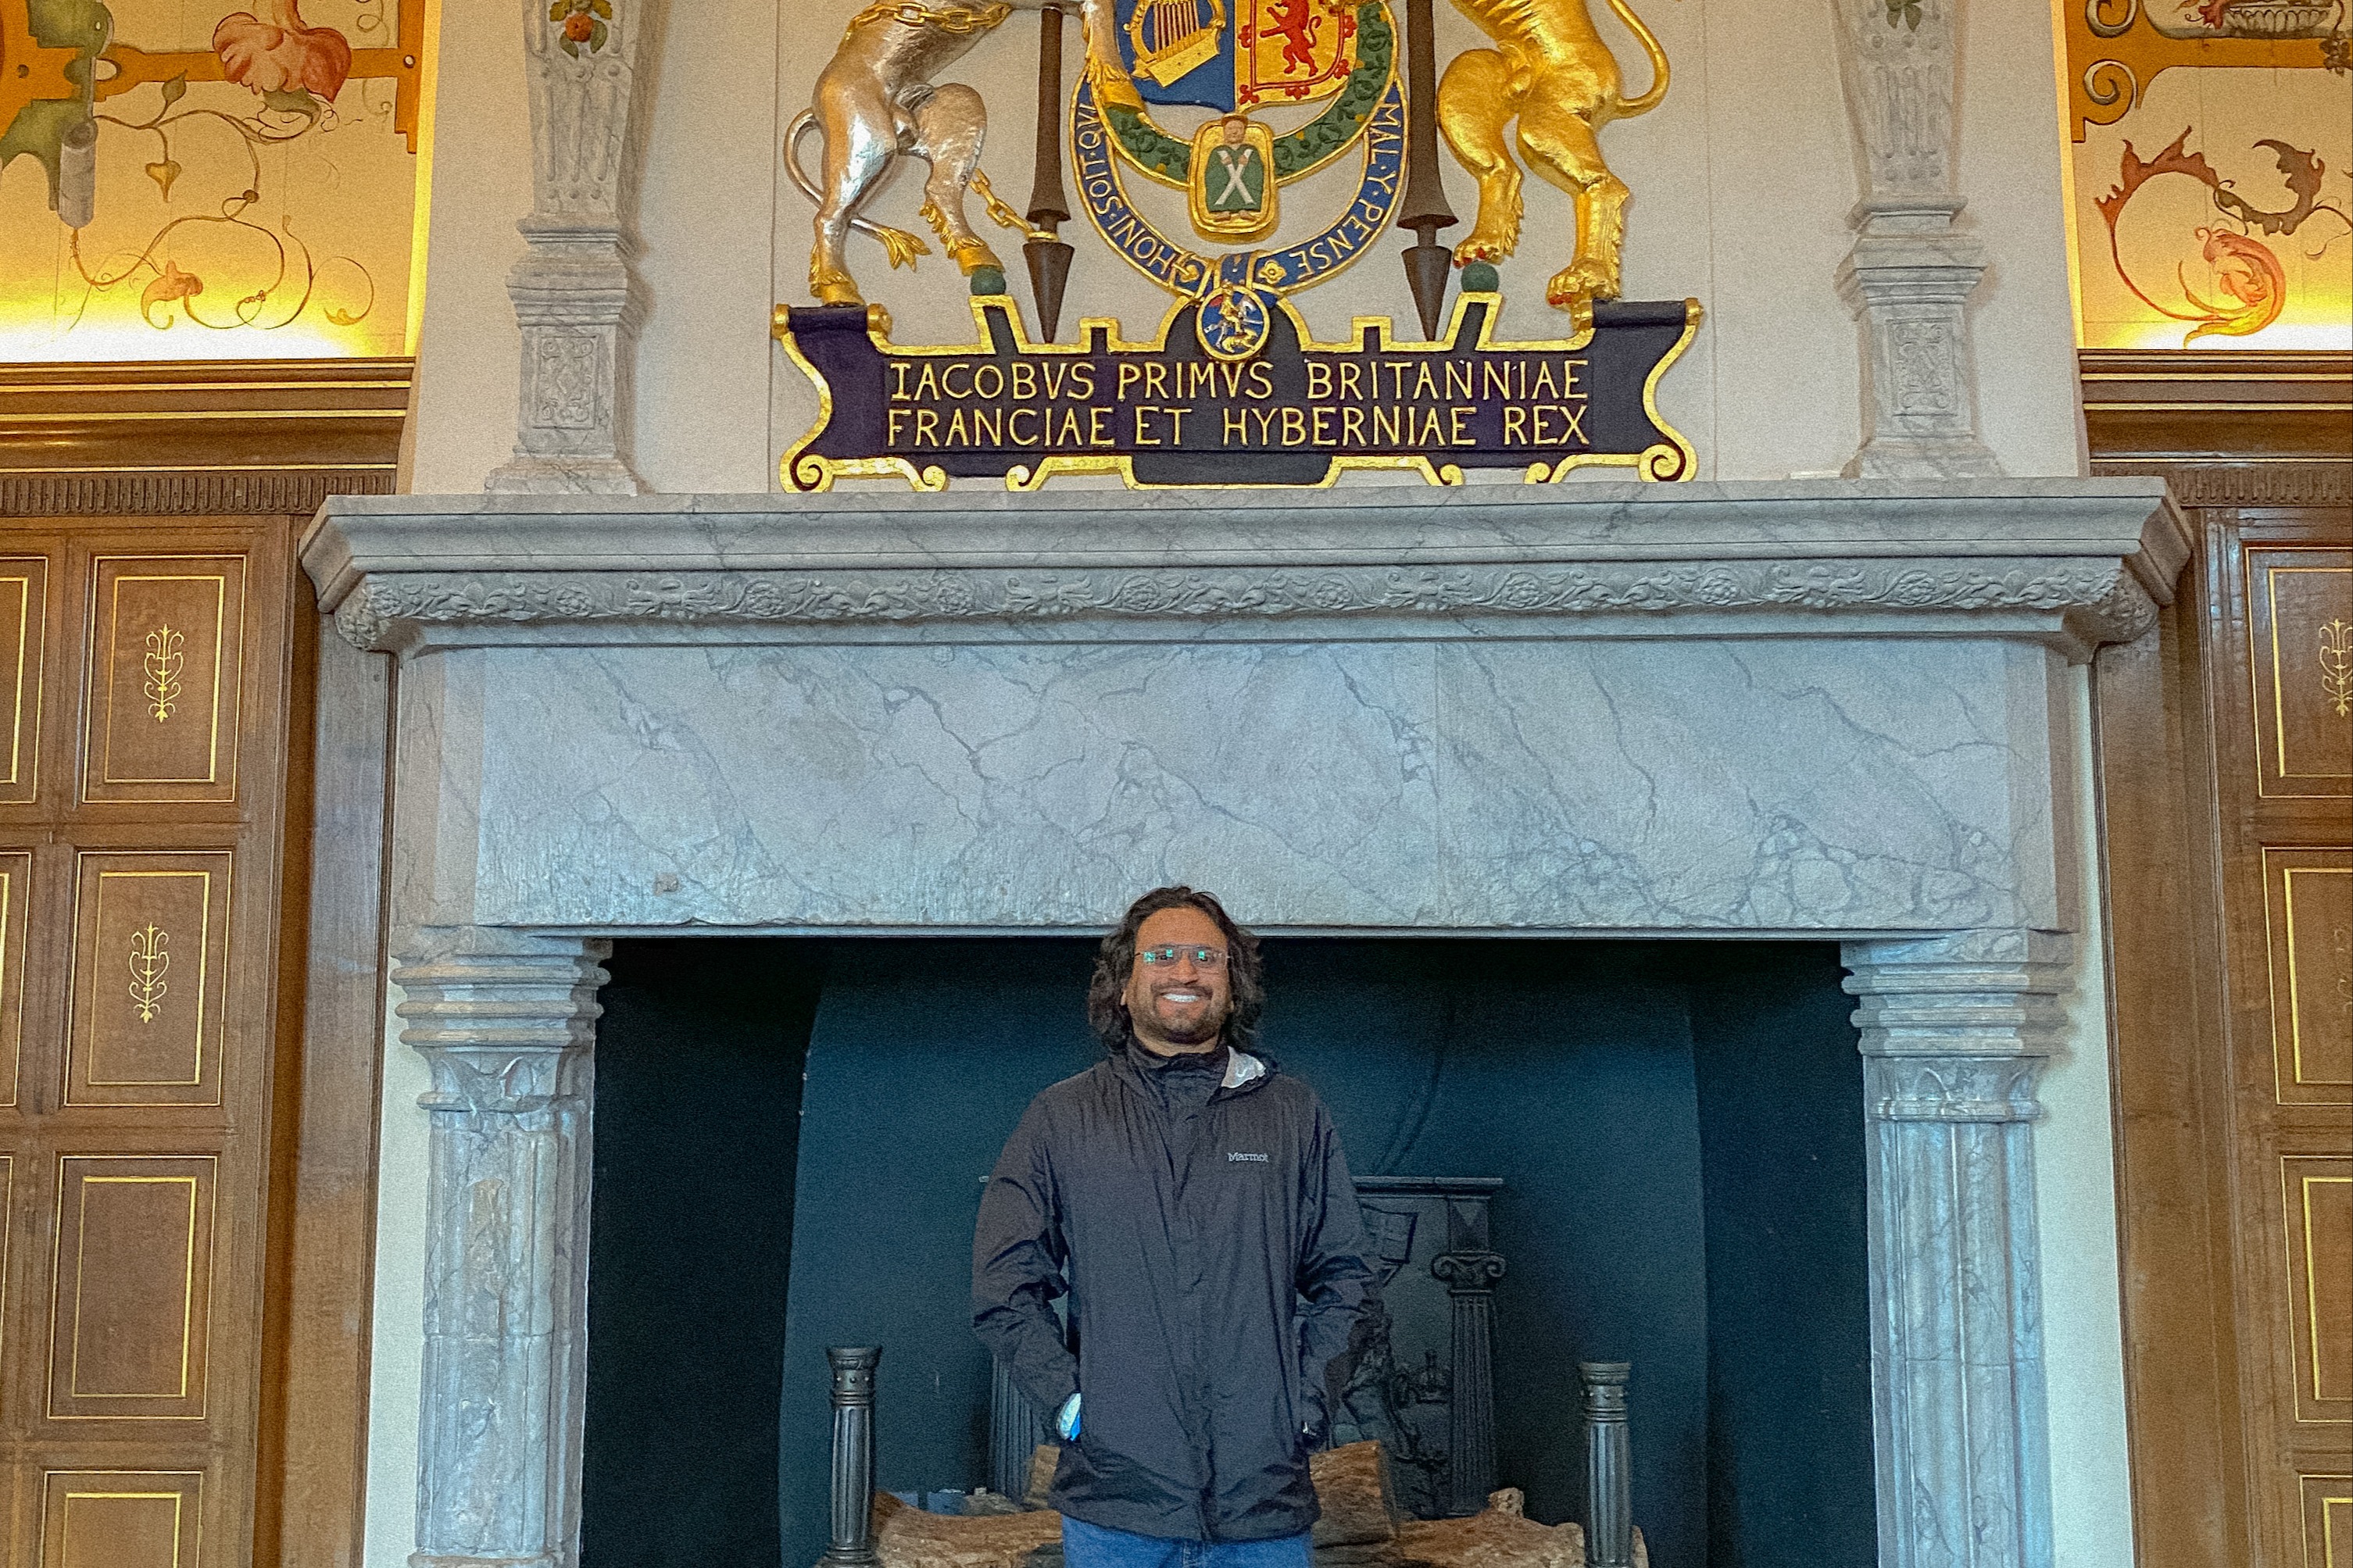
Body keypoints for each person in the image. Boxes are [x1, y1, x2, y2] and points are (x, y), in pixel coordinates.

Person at [973, 887, 1374, 1568]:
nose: (1184, 971)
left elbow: (1349, 1280)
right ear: (1124, 984)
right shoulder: (1062, 1117)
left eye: (1205, 957)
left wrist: (1304, 1405)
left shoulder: (1292, 1113)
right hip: (1115, 1509)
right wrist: (1072, 1405)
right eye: (1160, 955)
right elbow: (1003, 1285)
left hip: (1264, 1508)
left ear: (1233, 982)